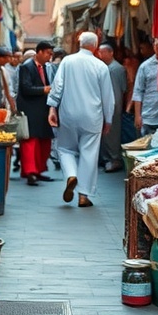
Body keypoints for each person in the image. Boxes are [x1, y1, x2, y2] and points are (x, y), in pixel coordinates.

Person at [47, 32, 114, 207]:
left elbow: (57, 85)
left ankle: (71, 174)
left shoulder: (67, 61)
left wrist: (52, 108)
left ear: (79, 43)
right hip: (92, 116)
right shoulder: (101, 66)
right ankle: (83, 195)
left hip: (68, 114)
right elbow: (107, 96)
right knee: (89, 153)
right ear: (95, 47)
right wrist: (109, 119)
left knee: (65, 148)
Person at [17, 41, 56, 186]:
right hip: (30, 109)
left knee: (44, 141)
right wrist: (43, 90)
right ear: (39, 52)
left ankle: (38, 170)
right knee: (30, 141)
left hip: (42, 109)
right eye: (48, 53)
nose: (50, 57)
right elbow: (25, 88)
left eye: (51, 54)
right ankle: (30, 172)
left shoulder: (45, 67)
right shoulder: (26, 67)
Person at [98, 43, 128, 172]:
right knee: (107, 134)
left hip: (113, 106)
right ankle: (107, 158)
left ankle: (114, 159)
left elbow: (118, 91)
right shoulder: (107, 68)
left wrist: (113, 107)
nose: (100, 55)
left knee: (112, 133)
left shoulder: (115, 69)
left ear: (111, 53)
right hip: (107, 105)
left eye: (102, 52)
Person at [131, 38, 158, 136]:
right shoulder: (145, 66)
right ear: (154, 47)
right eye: (156, 45)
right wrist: (137, 115)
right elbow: (138, 92)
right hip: (148, 117)